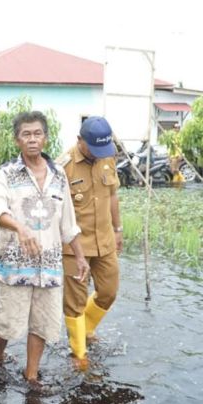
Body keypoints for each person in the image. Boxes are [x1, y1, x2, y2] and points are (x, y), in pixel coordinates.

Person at [0, 111, 89, 383]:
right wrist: (20, 228)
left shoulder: (59, 176)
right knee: (7, 323)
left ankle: (31, 374)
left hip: (50, 265)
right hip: (15, 264)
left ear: (45, 137)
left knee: (42, 323)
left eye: (37, 134)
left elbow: (68, 222)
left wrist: (80, 256)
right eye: (26, 134)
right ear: (17, 140)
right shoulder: (6, 174)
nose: (32, 139)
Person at [56, 116, 123, 369]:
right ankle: (79, 354)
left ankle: (87, 328)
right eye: (93, 148)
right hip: (75, 247)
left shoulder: (107, 157)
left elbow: (113, 194)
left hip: (104, 240)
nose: (98, 154)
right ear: (79, 141)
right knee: (75, 302)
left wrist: (118, 229)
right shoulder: (63, 167)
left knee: (109, 291)